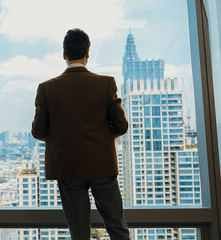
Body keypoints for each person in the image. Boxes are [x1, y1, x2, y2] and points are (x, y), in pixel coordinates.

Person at [31, 28, 130, 240]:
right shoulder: (106, 84)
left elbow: (38, 131)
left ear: (64, 55)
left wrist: (61, 138)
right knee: (117, 228)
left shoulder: (46, 88)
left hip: (67, 168)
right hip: (102, 165)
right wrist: (102, 137)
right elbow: (121, 126)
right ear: (87, 52)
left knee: (79, 233)